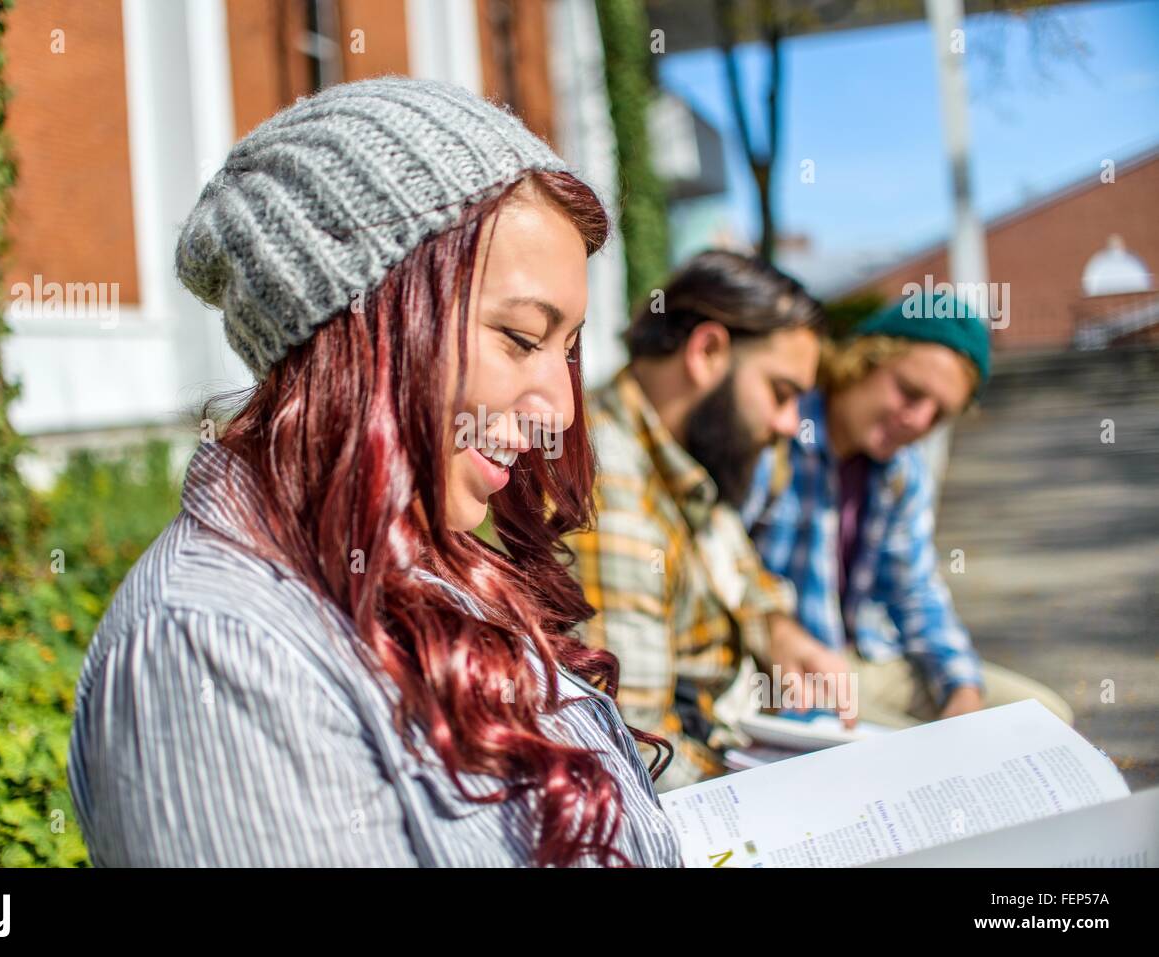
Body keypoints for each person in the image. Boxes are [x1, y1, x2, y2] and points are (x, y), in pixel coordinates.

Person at [67, 76, 682, 867]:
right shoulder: (213, 655)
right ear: (365, 326)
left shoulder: (436, 564)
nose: (559, 411)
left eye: (568, 349)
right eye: (522, 339)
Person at [565, 250, 848, 792]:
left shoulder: (681, 455)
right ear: (708, 351)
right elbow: (639, 753)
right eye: (781, 393)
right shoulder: (612, 490)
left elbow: (745, 577)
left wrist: (781, 632)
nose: (790, 423)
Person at [742, 292, 1074, 728]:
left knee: (1044, 718)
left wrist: (961, 688)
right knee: (922, 748)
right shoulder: (778, 431)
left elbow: (914, 590)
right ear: (863, 361)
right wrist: (775, 629)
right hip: (777, 672)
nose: (919, 421)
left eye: (938, 415)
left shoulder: (902, 471)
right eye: (911, 393)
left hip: (865, 658)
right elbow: (722, 562)